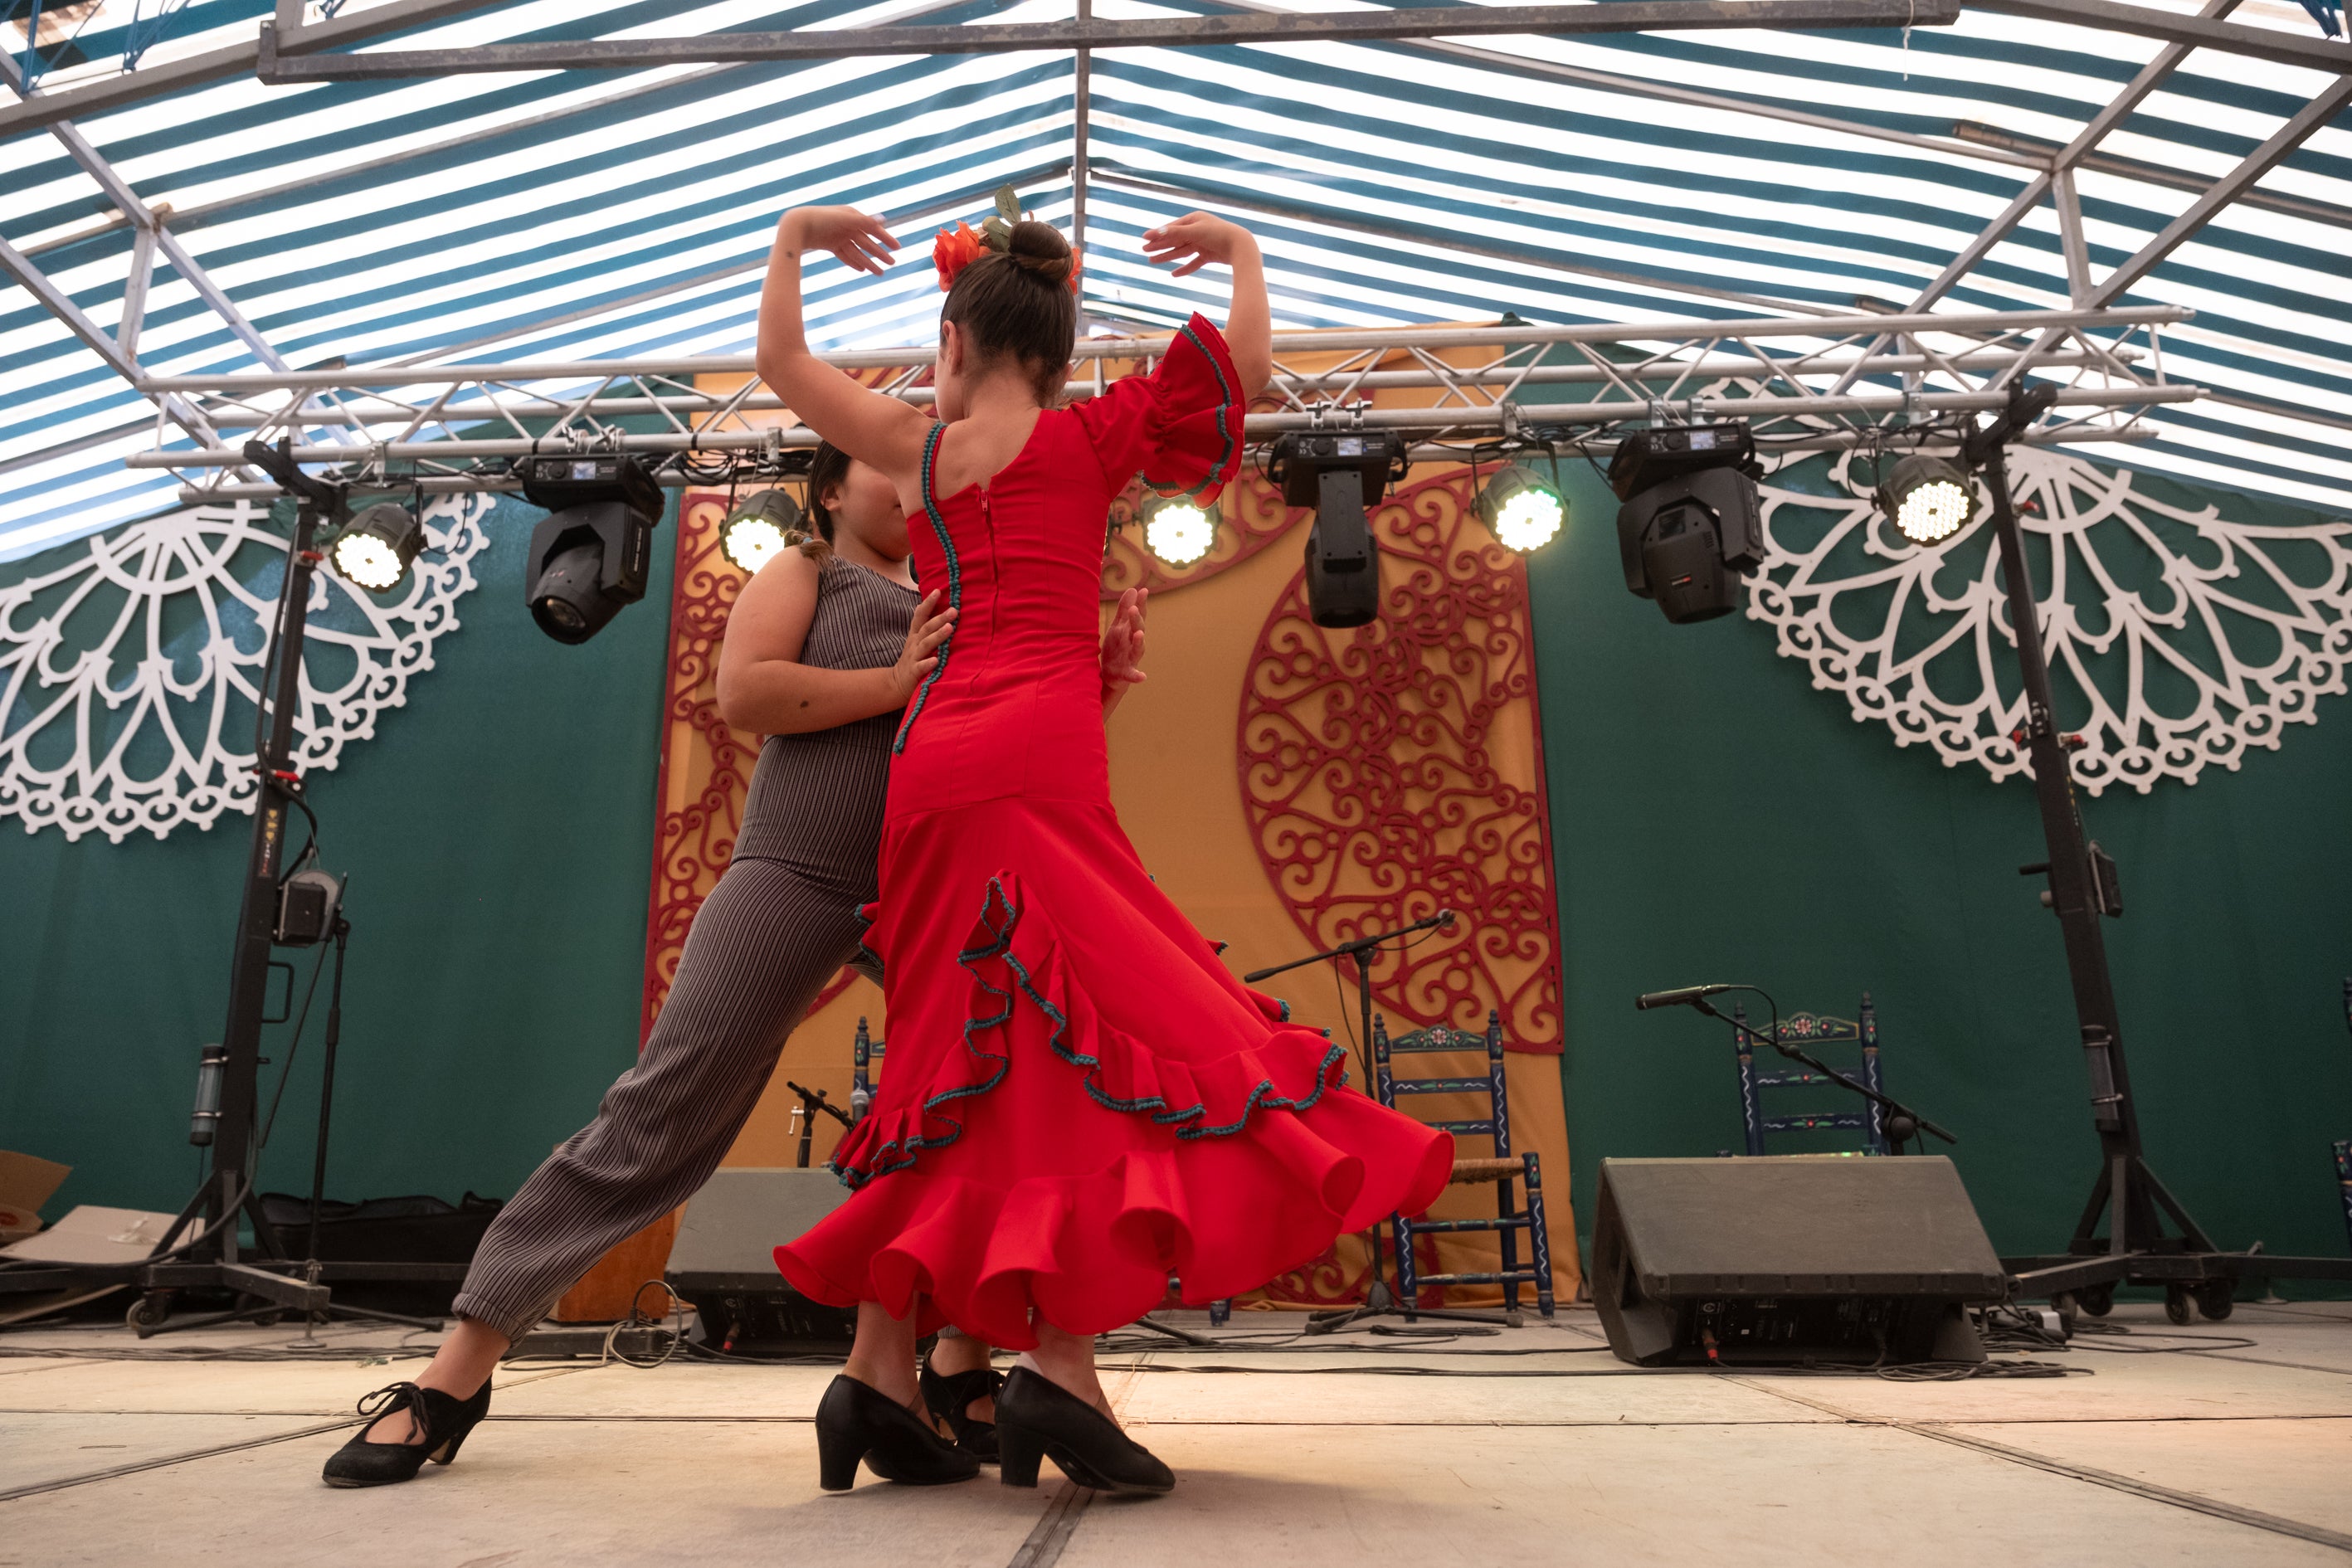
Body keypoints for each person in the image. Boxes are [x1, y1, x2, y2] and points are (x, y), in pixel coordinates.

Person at [758, 200, 1454, 1497]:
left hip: (930, 768)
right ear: (1061, 346)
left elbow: (782, 371)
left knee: (948, 1040)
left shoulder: (916, 448)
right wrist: (1244, 255)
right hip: (1037, 750)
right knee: (1086, 1032)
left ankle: (875, 1367)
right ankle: (1053, 1373)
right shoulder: (1094, 432)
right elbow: (1240, 371)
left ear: (955, 337)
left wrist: (794, 243)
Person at [320, 442, 1152, 1488]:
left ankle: (949, 1362)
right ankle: (455, 1372)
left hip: (931, 884)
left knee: (981, 1105)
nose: (908, 483)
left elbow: (998, 740)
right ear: (831, 492)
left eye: (917, 467)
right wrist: (899, 678)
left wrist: (1102, 688)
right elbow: (747, 693)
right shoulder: (806, 572)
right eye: (882, 468)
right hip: (796, 868)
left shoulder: (960, 593)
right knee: (667, 1104)